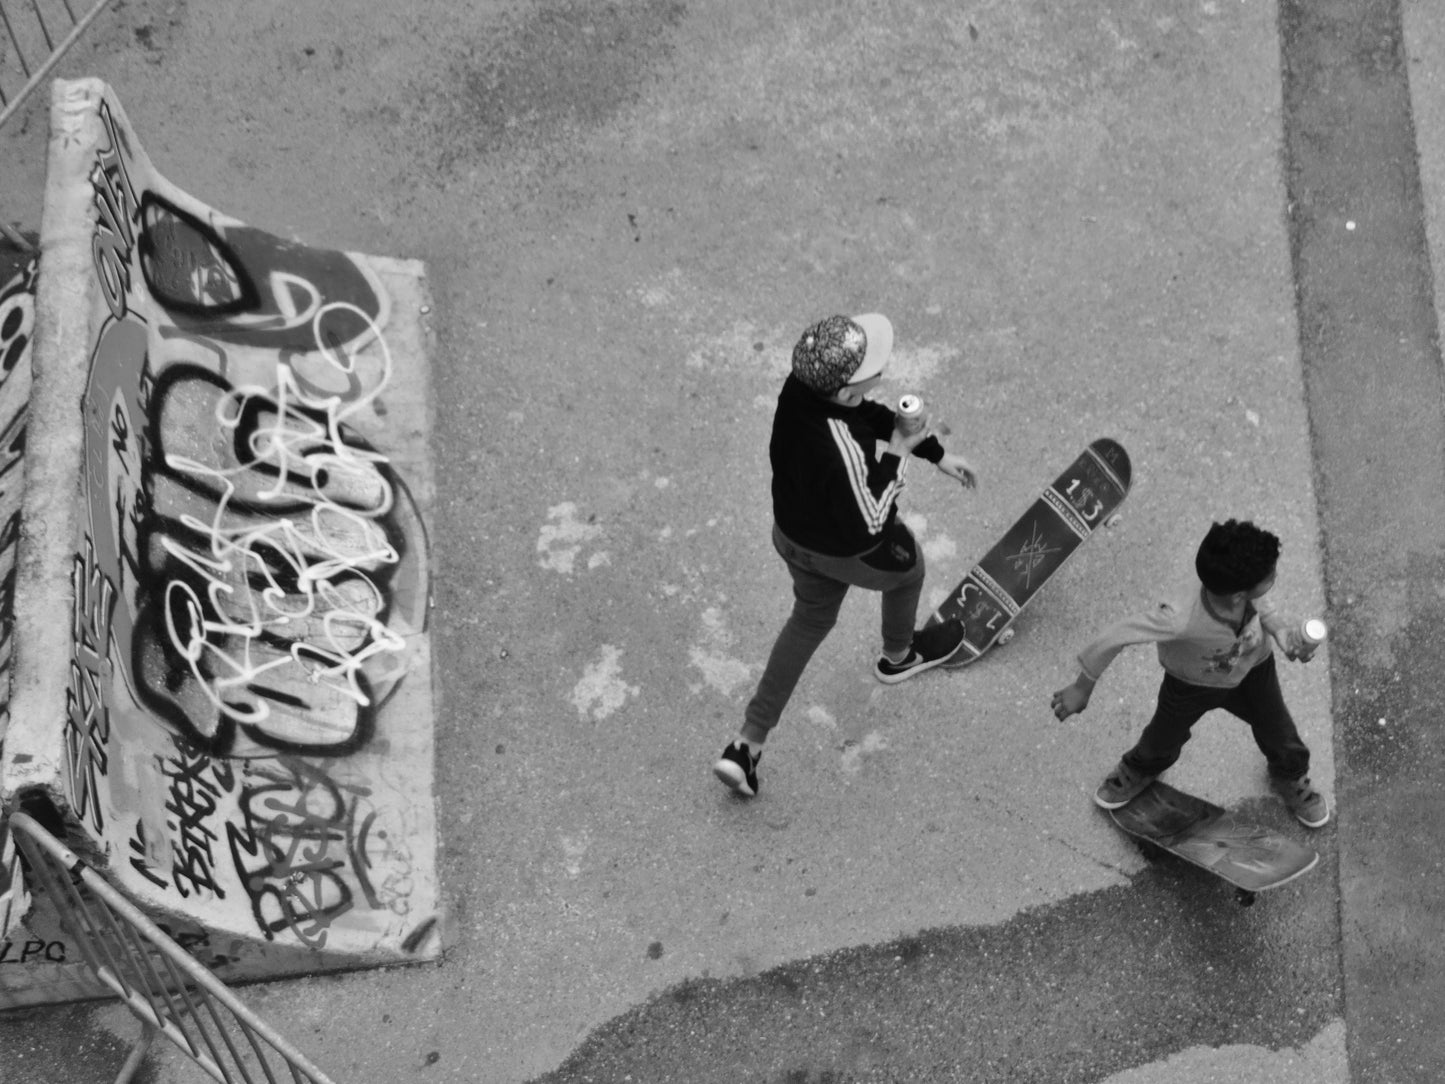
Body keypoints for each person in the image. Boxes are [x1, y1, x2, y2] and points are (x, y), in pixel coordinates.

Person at [713, 313, 979, 797]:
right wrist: (899, 450)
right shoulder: (841, 450)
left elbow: (865, 413)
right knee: (908, 568)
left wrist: (933, 452)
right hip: (843, 546)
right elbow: (872, 519)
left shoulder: (802, 389)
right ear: (843, 390)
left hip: (792, 535)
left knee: (811, 619)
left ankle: (746, 745)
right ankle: (897, 657)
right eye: (871, 366)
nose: (881, 367)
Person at [1050, 518, 1330, 827]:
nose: (1274, 578)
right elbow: (1115, 637)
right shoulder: (1178, 618)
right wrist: (1082, 686)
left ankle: (1290, 776)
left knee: (1280, 731)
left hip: (1253, 671)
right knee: (1162, 736)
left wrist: (1277, 628)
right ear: (1238, 594)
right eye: (1271, 576)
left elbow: (1258, 599)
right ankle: (1140, 768)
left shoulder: (1232, 584)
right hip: (1189, 684)